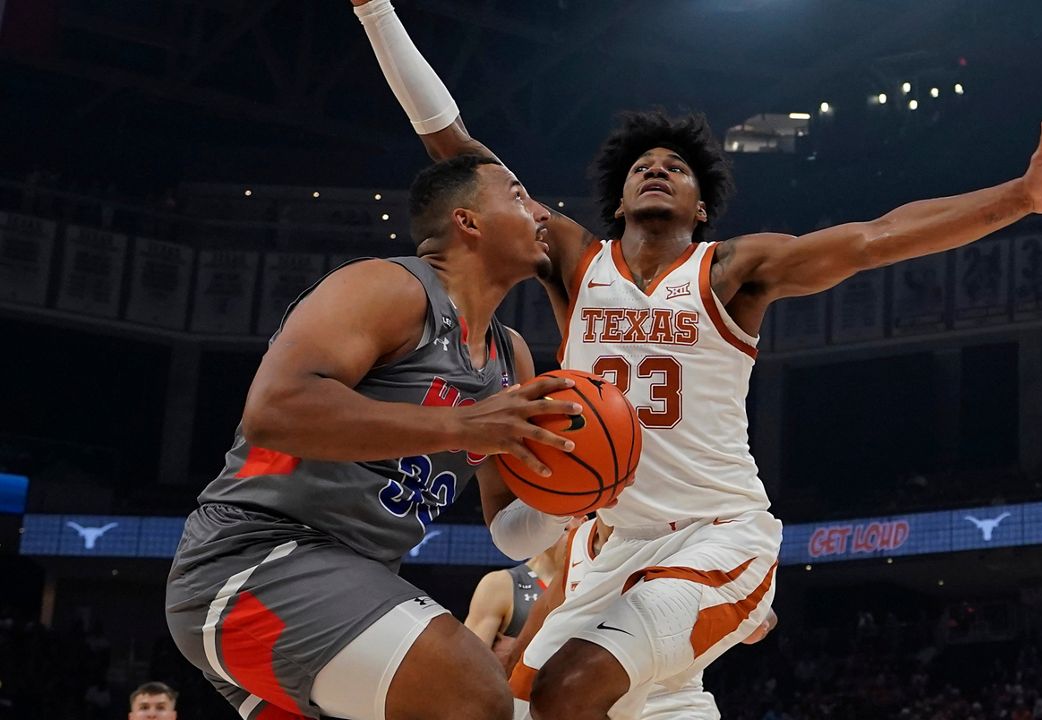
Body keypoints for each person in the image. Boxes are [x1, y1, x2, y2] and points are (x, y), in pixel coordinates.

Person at [354, 3, 1042, 717]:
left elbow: (878, 238)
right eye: (640, 168)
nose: (657, 168)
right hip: (606, 553)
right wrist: (376, 11)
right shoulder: (572, 262)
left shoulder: (731, 272)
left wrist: (1021, 198)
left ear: (700, 207)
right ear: (619, 203)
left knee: (568, 691)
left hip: (714, 535)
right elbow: (456, 148)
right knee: (507, 709)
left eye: (677, 167)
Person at [164, 154, 588, 720]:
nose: (542, 213)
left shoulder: (511, 358)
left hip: (342, 591)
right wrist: (460, 424)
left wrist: (577, 498)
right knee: (477, 694)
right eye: (518, 195)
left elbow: (510, 532)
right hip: (254, 564)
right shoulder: (389, 287)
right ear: (468, 222)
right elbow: (275, 409)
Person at [503, 516, 776, 720]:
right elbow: (545, 616)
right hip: (583, 701)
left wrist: (756, 621)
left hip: (669, 705)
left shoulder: (675, 530)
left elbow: (760, 619)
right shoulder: (578, 539)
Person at [464, 538, 563, 651]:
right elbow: (469, 660)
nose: (569, 536)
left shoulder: (585, 588)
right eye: (564, 528)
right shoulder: (500, 584)